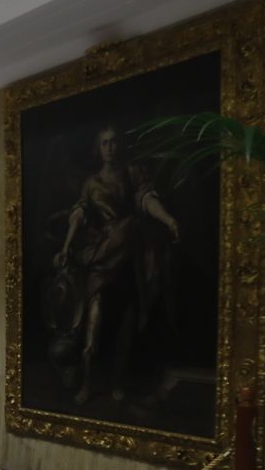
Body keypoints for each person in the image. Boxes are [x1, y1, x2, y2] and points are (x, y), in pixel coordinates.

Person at [51, 123, 181, 404]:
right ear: (98, 149)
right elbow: (79, 214)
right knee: (92, 331)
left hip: (127, 264)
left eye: (114, 141)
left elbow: (147, 199)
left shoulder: (133, 173)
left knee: (125, 330)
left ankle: (117, 383)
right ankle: (86, 383)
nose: (110, 147)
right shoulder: (91, 183)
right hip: (101, 261)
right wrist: (65, 247)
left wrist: (168, 220)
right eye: (105, 142)